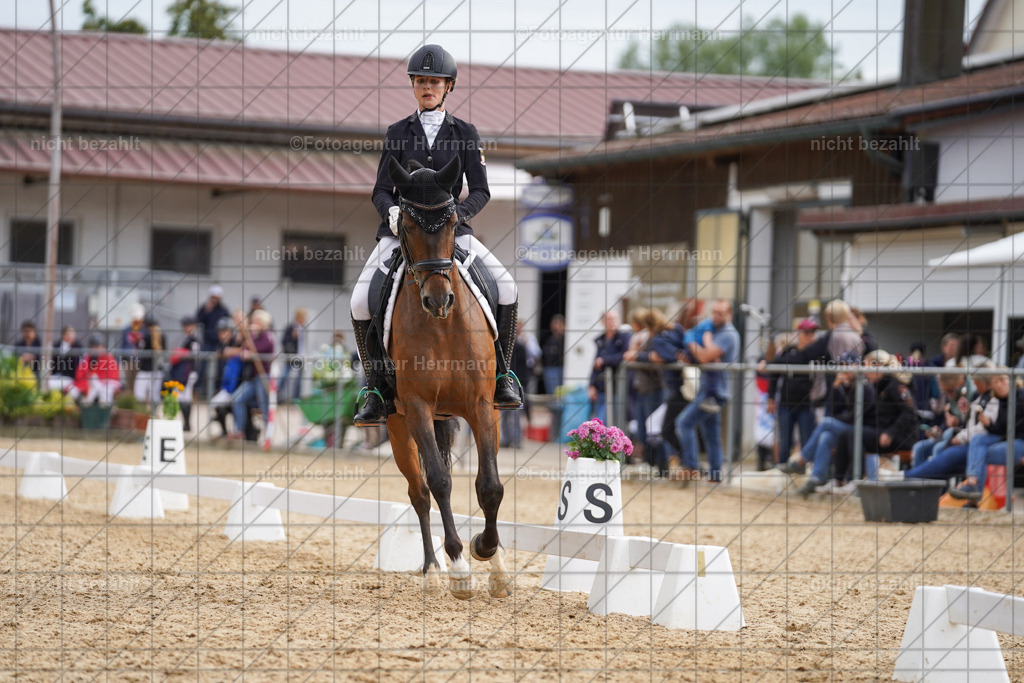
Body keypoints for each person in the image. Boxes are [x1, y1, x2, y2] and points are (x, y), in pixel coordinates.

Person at [350, 44, 520, 424]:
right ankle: (377, 387)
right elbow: (380, 189)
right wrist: (391, 211)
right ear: (414, 86)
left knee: (508, 288)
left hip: (450, 232)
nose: (428, 87)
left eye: (435, 82)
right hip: (403, 233)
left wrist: (457, 215)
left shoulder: (465, 132)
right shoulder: (397, 132)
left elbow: (481, 190)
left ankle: (503, 376)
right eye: (422, 81)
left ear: (448, 87)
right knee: (361, 300)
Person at [827, 350, 920, 492]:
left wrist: (891, 433)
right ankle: (838, 480)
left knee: (854, 435)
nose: (865, 372)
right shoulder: (879, 387)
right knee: (847, 433)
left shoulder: (896, 386)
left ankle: (856, 480)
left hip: (902, 436)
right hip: (884, 432)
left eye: (867, 367)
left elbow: (910, 412)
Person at [674, 299, 740, 483]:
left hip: (714, 393)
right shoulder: (712, 329)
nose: (715, 316)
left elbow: (704, 357)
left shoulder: (728, 334)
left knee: (683, 424)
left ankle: (692, 467)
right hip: (708, 389)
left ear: (730, 314)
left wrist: (695, 342)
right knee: (711, 433)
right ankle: (716, 474)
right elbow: (703, 357)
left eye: (721, 313)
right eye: (714, 312)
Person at [766, 318, 819, 466]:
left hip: (807, 404)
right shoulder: (788, 351)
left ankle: (806, 472)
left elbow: (788, 361)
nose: (811, 336)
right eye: (807, 332)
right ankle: (781, 473)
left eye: (813, 333)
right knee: (785, 443)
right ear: (799, 333)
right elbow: (775, 373)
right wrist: (770, 397)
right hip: (786, 403)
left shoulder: (816, 353)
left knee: (807, 441)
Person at [229, 310, 275, 440]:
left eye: (257, 321)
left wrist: (251, 353)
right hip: (252, 377)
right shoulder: (252, 337)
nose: (254, 324)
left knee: (264, 405)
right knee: (237, 399)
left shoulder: (268, 336)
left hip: (263, 376)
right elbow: (245, 349)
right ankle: (239, 430)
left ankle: (268, 435)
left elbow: (259, 349)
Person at [588, 310, 631, 423]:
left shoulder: (624, 337)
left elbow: (624, 356)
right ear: (603, 322)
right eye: (609, 319)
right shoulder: (601, 340)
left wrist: (604, 360)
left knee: (608, 423)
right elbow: (595, 365)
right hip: (601, 388)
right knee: (597, 422)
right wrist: (591, 385)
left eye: (615, 319)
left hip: (617, 388)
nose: (612, 322)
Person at [195, 285, 230, 395]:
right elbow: (198, 319)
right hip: (207, 342)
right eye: (212, 297)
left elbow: (227, 326)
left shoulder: (223, 310)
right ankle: (197, 389)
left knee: (221, 367)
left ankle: (217, 390)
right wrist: (206, 311)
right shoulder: (205, 308)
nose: (214, 299)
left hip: (219, 343)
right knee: (202, 366)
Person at [168, 317, 201, 431]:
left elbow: (194, 357)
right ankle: (185, 423)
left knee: (186, 397)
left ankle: (187, 423)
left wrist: (182, 353)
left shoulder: (194, 340)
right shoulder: (185, 339)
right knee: (181, 397)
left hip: (189, 373)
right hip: (182, 373)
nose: (186, 328)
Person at [69, 335, 120, 404]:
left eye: (97, 346)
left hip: (108, 383)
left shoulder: (108, 357)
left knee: (104, 391)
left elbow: (112, 376)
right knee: (72, 391)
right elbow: (80, 373)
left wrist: (94, 378)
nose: (96, 349)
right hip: (90, 383)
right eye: (93, 347)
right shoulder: (87, 357)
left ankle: (105, 410)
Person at [279, 307, 308, 404]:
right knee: (284, 376)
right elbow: (283, 341)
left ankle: (296, 398)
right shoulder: (290, 328)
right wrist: (293, 337)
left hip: (301, 356)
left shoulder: (305, 328)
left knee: (299, 379)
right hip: (291, 356)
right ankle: (278, 395)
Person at [134, 316, 163, 407]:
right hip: (157, 371)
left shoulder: (146, 337)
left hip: (146, 370)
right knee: (154, 397)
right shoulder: (162, 336)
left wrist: (136, 341)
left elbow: (140, 349)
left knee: (139, 395)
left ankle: (141, 416)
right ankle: (153, 416)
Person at [48, 325, 81, 393]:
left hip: (69, 377)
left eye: (72, 334)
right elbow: (52, 362)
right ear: (63, 335)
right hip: (57, 375)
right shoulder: (56, 345)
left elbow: (77, 364)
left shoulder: (77, 346)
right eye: (68, 334)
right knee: (47, 383)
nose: (71, 336)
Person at [541, 314, 565, 395]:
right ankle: (553, 407)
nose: (554, 326)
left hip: (558, 369)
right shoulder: (549, 339)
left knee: (558, 392)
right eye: (553, 323)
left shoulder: (564, 340)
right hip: (548, 369)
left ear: (563, 325)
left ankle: (558, 407)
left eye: (556, 323)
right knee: (551, 393)